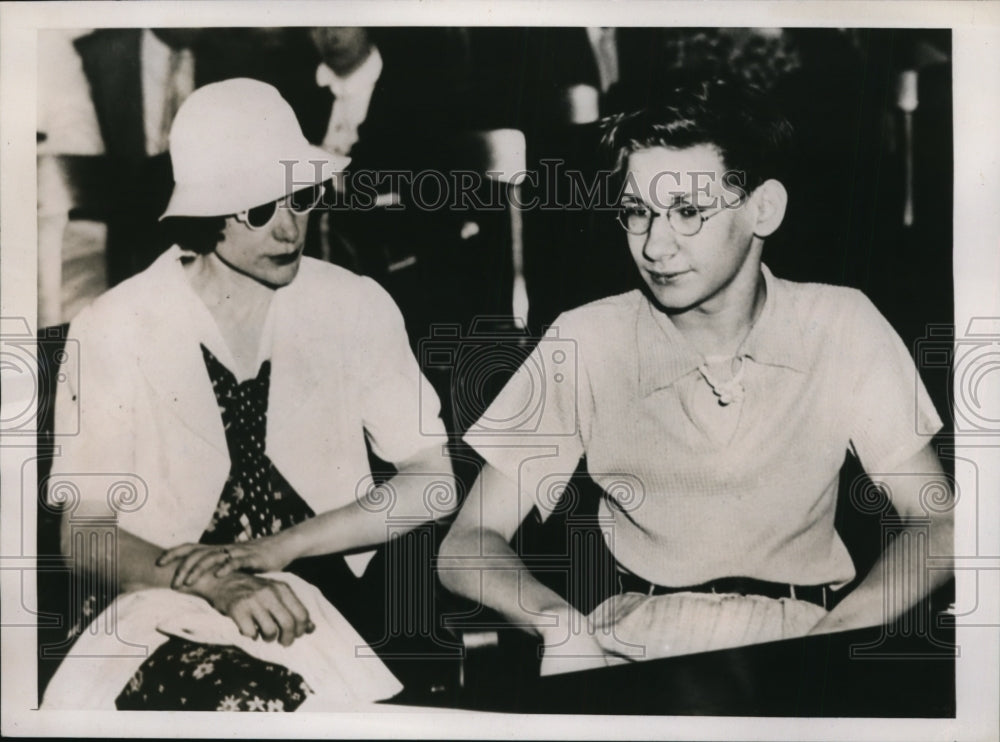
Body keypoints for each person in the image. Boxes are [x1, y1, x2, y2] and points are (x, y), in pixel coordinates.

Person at [438, 77, 954, 676]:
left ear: (764, 208)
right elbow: (467, 544)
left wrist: (837, 635)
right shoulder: (586, 339)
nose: (656, 245)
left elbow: (939, 521)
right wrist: (561, 625)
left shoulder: (840, 323)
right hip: (633, 646)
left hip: (806, 637)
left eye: (687, 211)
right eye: (637, 212)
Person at [42, 78, 456, 710]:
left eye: (301, 196)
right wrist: (223, 585)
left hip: (330, 600)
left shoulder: (353, 304)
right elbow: (86, 534)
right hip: (161, 604)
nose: (290, 229)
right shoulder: (115, 324)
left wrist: (281, 547)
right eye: (259, 210)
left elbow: (432, 481)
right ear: (207, 214)